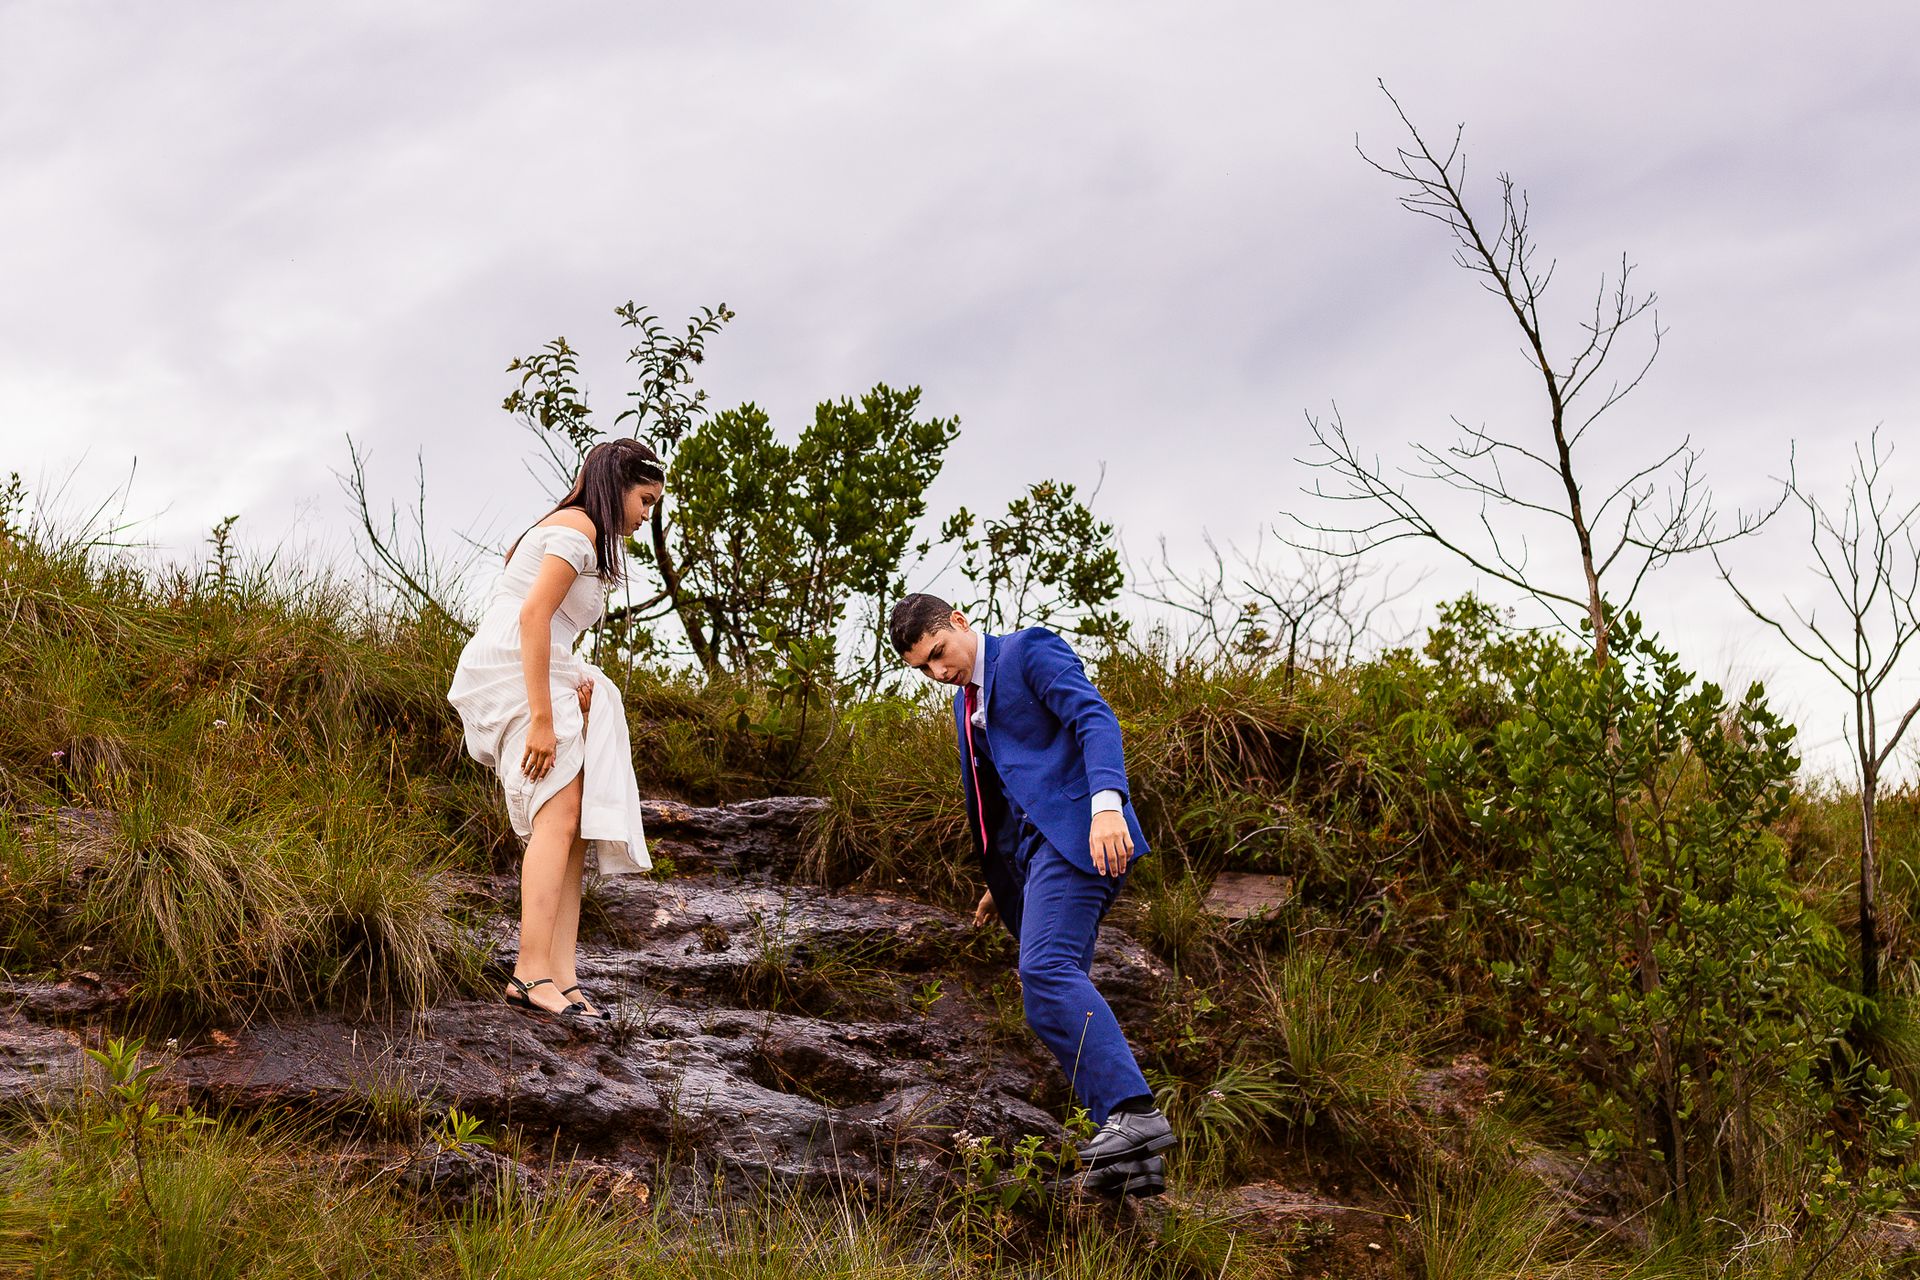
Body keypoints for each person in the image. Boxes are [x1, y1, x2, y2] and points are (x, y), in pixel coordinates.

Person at [890, 594, 1174, 1199]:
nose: (939, 672)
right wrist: (1003, 886)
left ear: (960, 622)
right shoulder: (967, 708)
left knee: (1044, 967)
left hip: (1085, 838)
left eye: (939, 653)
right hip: (1040, 859)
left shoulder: (1027, 650)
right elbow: (1006, 804)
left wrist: (1107, 806)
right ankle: (1137, 1159)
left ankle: (1136, 1114)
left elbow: (1094, 718)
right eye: (924, 668)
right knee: (1044, 995)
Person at [447, 438, 661, 1022]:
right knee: (557, 817)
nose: (647, 516)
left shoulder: (581, 533)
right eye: (645, 500)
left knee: (574, 828)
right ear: (617, 485)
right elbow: (532, 615)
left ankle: (561, 975)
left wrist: (574, 678)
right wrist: (543, 718)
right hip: (517, 669)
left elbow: (554, 624)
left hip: (544, 666)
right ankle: (529, 972)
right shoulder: (578, 528)